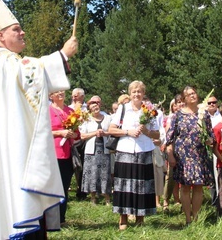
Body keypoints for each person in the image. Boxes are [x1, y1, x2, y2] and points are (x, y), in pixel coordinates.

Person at [0, 0, 78, 239]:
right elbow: (30, 72)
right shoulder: (3, 62)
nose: (23, 32)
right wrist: (62, 55)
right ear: (0, 37)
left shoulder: (1, 62)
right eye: (16, 30)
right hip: (12, 148)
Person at [109, 80, 160, 230]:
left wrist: (147, 132)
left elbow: (157, 133)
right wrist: (127, 132)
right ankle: (123, 218)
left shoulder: (149, 111)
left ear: (144, 94)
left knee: (142, 185)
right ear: (129, 94)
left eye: (139, 91)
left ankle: (140, 218)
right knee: (124, 185)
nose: (136, 94)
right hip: (125, 150)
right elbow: (111, 129)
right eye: (134, 91)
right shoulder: (123, 109)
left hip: (143, 151)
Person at [165, 86, 215, 226]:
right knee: (185, 187)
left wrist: (210, 140)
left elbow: (211, 134)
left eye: (194, 93)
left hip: (199, 155)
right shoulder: (178, 115)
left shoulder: (204, 114)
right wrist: (171, 156)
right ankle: (188, 218)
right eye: (189, 94)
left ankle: (196, 217)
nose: (193, 95)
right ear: (185, 98)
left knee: (198, 186)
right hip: (183, 156)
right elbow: (170, 138)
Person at [49, 89, 79, 224]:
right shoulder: (46, 111)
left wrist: (73, 135)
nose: (61, 93)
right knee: (52, 186)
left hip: (67, 154)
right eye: (57, 91)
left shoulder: (71, 112)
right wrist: (60, 132)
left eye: (62, 90)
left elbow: (77, 133)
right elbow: (41, 132)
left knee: (64, 186)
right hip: (52, 154)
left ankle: (61, 218)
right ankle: (50, 219)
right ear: (51, 96)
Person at [78, 95, 112, 205]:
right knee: (91, 173)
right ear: (89, 108)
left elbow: (112, 132)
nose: (95, 107)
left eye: (96, 105)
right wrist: (95, 133)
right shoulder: (86, 119)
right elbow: (82, 136)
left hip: (104, 150)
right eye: (92, 106)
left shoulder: (107, 118)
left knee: (105, 174)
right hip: (91, 151)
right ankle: (93, 197)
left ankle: (107, 198)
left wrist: (104, 133)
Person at [162, 94, 184, 211]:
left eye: (182, 102)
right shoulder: (172, 117)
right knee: (170, 176)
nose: (180, 104)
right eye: (178, 102)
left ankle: (182, 201)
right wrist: (170, 152)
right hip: (173, 147)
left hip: (185, 150)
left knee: (183, 177)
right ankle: (166, 200)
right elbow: (168, 135)